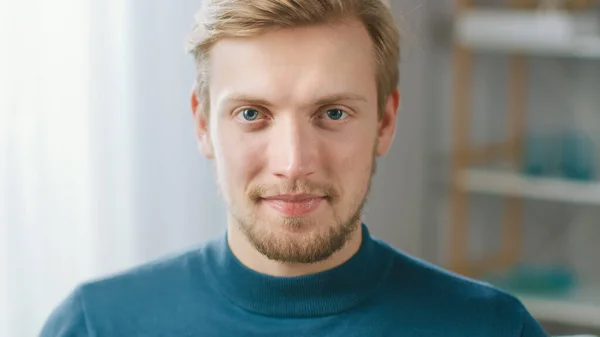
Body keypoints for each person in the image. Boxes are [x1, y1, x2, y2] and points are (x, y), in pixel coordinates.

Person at [40, 0, 549, 336]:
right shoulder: (95, 325)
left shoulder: (492, 328)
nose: (293, 163)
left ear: (385, 121)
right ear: (202, 125)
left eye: (332, 114)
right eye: (251, 115)